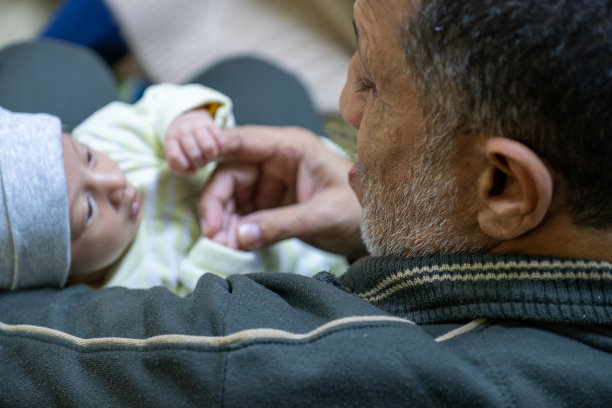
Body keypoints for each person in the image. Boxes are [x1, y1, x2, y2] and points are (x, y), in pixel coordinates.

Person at [1, 0, 611, 406]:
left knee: (44, 67)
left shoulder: (354, 370)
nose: (344, 106)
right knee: (249, 74)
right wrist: (368, 229)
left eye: (373, 81)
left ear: (503, 186)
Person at [0, 83, 348, 293]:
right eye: (88, 210)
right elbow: (193, 325)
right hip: (322, 279)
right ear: (64, 276)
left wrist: (187, 121)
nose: (115, 182)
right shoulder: (125, 291)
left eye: (88, 157)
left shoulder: (104, 134)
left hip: (314, 178)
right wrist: (217, 258)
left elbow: (157, 105)